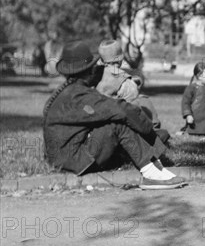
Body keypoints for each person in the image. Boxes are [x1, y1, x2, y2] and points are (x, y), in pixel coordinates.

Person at [43, 41, 185, 190]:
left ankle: (155, 167)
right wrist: (149, 132)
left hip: (62, 157)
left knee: (116, 120)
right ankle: (151, 174)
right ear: (87, 71)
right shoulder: (79, 96)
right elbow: (121, 109)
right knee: (117, 123)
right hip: (71, 161)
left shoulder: (69, 91)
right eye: (92, 67)